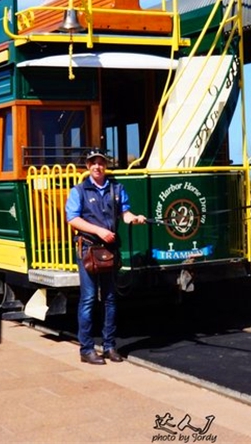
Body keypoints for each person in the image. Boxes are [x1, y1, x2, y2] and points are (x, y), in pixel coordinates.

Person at [64, 148, 147, 365]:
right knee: (89, 299)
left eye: (100, 163)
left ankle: (110, 346)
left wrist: (134, 218)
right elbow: (72, 219)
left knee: (110, 300)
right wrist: (98, 231)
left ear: (105, 165)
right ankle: (87, 349)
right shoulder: (79, 191)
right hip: (88, 250)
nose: (97, 166)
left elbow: (125, 214)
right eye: (93, 163)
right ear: (88, 167)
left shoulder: (116, 188)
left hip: (109, 251)